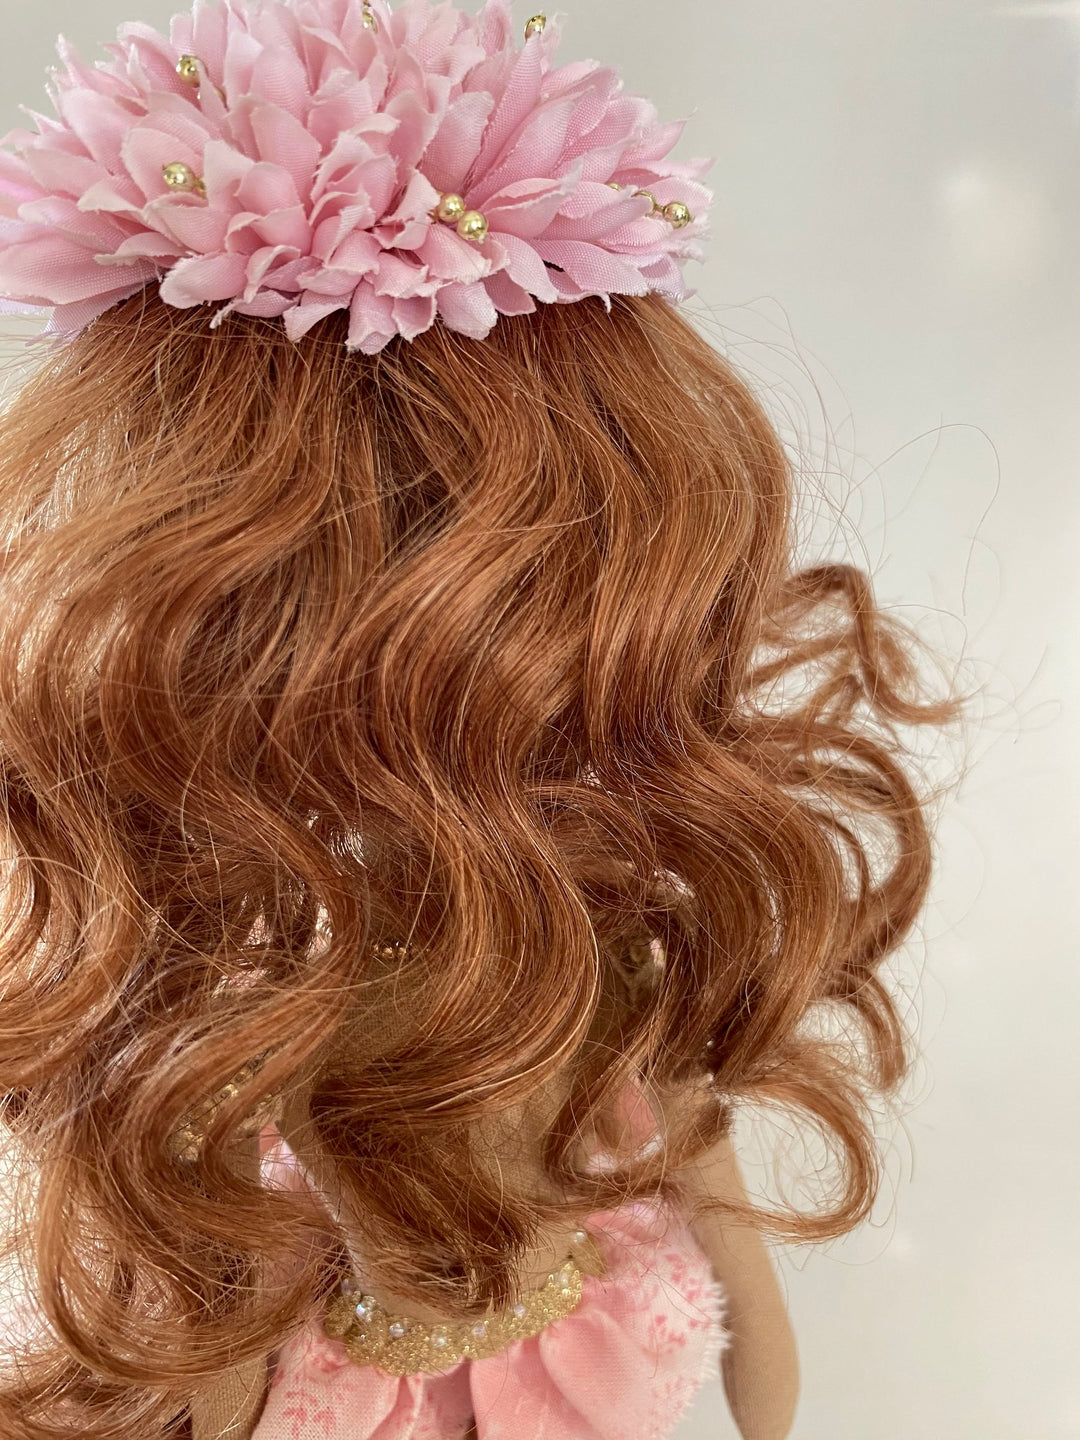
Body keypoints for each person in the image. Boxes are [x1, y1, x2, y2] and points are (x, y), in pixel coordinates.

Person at [0, 2, 966, 1437]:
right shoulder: (269, 1000)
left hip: (585, 1360)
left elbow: (728, 1235)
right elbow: (204, 1329)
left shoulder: (618, 958)